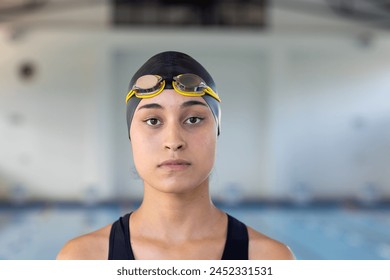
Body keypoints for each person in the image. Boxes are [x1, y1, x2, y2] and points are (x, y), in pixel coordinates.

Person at [57, 51, 294, 260]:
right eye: (153, 121)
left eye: (193, 119)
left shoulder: (269, 259)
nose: (173, 142)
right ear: (131, 134)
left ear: (217, 131)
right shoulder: (82, 260)